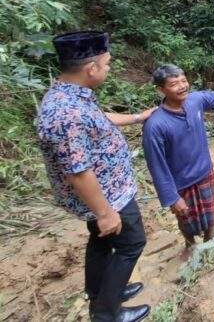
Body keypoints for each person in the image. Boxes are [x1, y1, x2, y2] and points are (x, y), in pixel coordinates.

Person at [37, 31, 156, 322]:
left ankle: (100, 290)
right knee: (131, 243)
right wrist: (104, 212)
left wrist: (139, 117)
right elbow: (77, 173)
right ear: (92, 68)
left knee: (102, 241)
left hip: (108, 191)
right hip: (107, 197)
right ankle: (106, 313)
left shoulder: (71, 94)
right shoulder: (66, 114)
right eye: (107, 63)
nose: (109, 67)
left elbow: (99, 120)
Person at [142, 64, 214, 260]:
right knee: (185, 218)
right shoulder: (155, 125)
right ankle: (189, 244)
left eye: (183, 81)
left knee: (209, 210)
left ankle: (209, 240)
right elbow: (156, 166)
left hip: (204, 171)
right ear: (161, 90)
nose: (182, 86)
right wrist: (171, 197)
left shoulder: (195, 101)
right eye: (174, 84)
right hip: (180, 182)